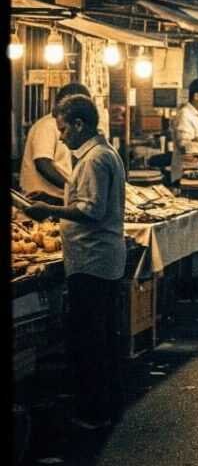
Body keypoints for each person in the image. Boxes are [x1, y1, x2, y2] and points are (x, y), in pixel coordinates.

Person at [25, 95, 126, 429]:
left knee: (91, 339)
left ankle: (94, 412)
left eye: (64, 128)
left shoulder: (95, 159)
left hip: (92, 262)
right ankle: (108, 406)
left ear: (80, 124)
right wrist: (51, 197)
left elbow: (91, 211)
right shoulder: (99, 154)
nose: (62, 135)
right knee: (100, 336)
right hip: (96, 260)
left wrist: (49, 210)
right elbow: (85, 200)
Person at [19, 82, 92, 200]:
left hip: (58, 197)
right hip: (40, 199)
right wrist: (72, 188)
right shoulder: (47, 125)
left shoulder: (69, 126)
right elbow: (42, 162)